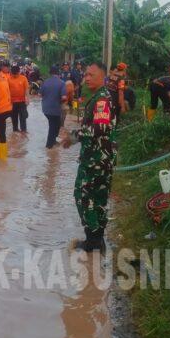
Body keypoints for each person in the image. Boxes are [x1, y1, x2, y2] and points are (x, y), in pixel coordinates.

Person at [61, 62, 116, 251]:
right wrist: (76, 137)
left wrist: (75, 136)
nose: (87, 78)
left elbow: (100, 128)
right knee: (97, 198)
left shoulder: (102, 99)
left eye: (91, 75)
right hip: (97, 158)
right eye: (86, 75)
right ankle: (96, 241)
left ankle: (92, 240)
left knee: (83, 197)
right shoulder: (99, 97)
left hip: (96, 160)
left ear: (102, 77)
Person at [41, 64, 67, 148]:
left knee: (55, 124)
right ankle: (49, 146)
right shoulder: (62, 83)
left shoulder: (45, 82)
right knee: (54, 126)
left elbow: (40, 94)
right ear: (58, 73)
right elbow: (64, 98)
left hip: (45, 109)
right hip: (55, 109)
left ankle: (53, 141)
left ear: (50, 73)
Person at [8, 64, 30, 133]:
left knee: (23, 116)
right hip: (12, 102)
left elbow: (26, 89)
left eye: (16, 74)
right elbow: (6, 90)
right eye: (13, 74)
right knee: (14, 116)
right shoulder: (8, 79)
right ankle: (15, 130)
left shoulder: (23, 78)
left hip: (22, 101)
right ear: (11, 73)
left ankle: (23, 130)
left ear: (19, 72)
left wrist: (28, 99)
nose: (14, 75)